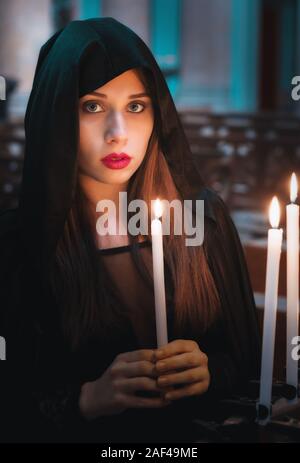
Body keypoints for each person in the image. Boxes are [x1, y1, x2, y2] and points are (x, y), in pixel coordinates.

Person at [0, 17, 261, 443]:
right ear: (56, 115)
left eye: (136, 106)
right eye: (93, 106)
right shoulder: (15, 247)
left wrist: (209, 371)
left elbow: (249, 362)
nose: (118, 135)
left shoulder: (204, 220)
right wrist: (86, 400)